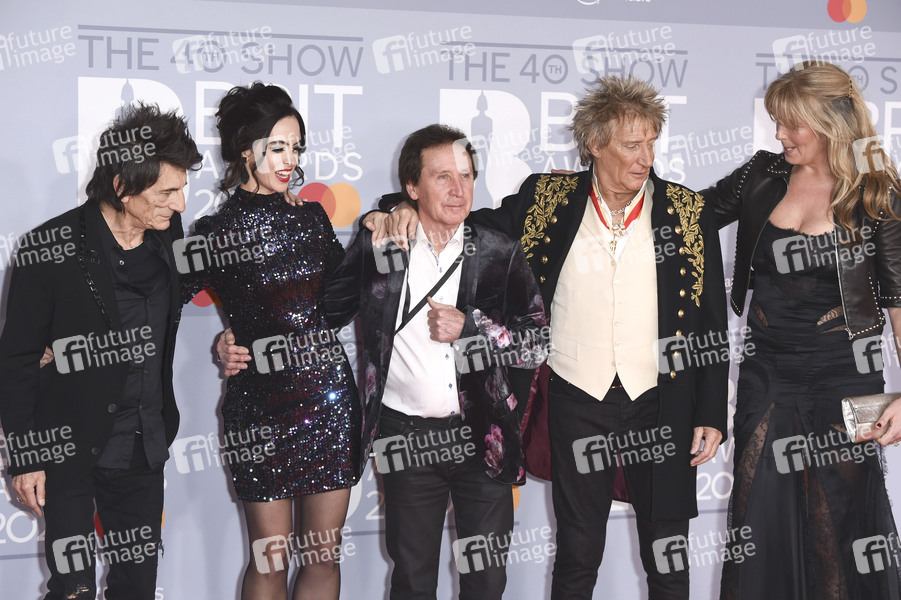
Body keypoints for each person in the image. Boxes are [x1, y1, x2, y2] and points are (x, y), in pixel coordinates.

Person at [368, 76, 729, 600]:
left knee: (668, 556)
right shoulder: (548, 197)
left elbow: (710, 321)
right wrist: (394, 207)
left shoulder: (688, 211)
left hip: (661, 400)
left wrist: (710, 412)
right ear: (595, 144)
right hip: (576, 396)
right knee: (578, 554)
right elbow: (468, 221)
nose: (645, 157)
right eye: (632, 144)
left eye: (651, 143)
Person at [222, 124, 549, 599]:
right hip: (405, 439)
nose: (458, 189)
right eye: (442, 177)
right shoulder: (380, 245)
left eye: (466, 176)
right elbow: (322, 314)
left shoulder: (499, 251)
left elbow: (536, 344)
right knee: (412, 580)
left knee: (486, 582)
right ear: (412, 187)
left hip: (482, 435)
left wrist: (472, 328)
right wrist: (241, 336)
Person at [701, 61, 901, 599]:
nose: (779, 134)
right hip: (766, 374)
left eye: (792, 124)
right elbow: (689, 213)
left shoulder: (877, 192)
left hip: (847, 377)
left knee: (837, 523)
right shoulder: (762, 175)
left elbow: (899, 303)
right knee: (756, 515)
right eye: (776, 121)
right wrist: (593, 187)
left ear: (831, 124)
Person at [0, 104, 202, 600]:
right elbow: (17, 359)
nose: (179, 204)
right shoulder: (49, 247)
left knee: (136, 587)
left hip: (143, 445)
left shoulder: (167, 234)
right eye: (167, 192)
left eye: (182, 189)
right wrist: (25, 456)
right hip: (67, 450)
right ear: (122, 186)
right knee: (73, 589)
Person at [179, 82, 362, 600]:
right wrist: (223, 342)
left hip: (327, 399)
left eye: (296, 147)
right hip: (259, 409)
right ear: (245, 149)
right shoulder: (216, 231)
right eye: (276, 147)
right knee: (270, 557)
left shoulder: (312, 217)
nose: (289, 160)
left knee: (323, 554)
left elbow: (342, 300)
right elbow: (160, 301)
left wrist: (379, 226)